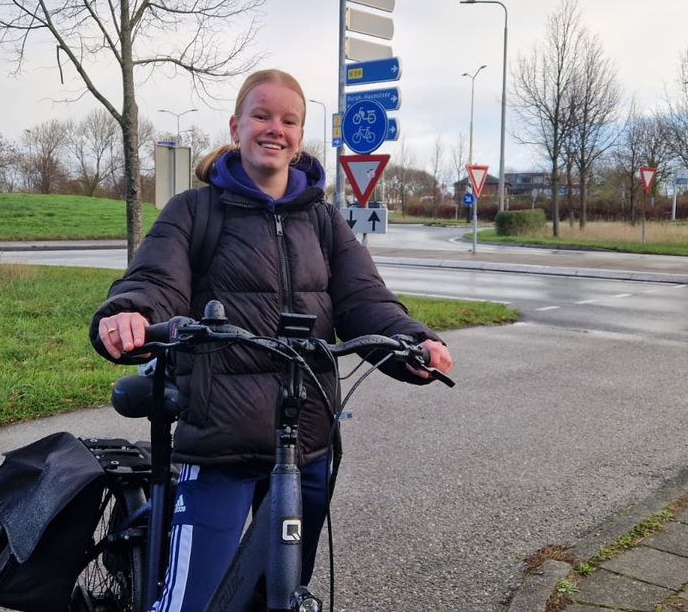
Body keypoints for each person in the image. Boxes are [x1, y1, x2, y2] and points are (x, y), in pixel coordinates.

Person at [89, 68, 452, 611]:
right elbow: (156, 280)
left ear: (300, 136)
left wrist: (412, 342)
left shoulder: (324, 221)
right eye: (261, 115)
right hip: (219, 440)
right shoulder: (195, 210)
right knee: (194, 599)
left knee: (280, 593)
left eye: (289, 120)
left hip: (305, 441)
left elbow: (364, 301)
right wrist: (130, 315)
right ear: (236, 125)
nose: (274, 129)